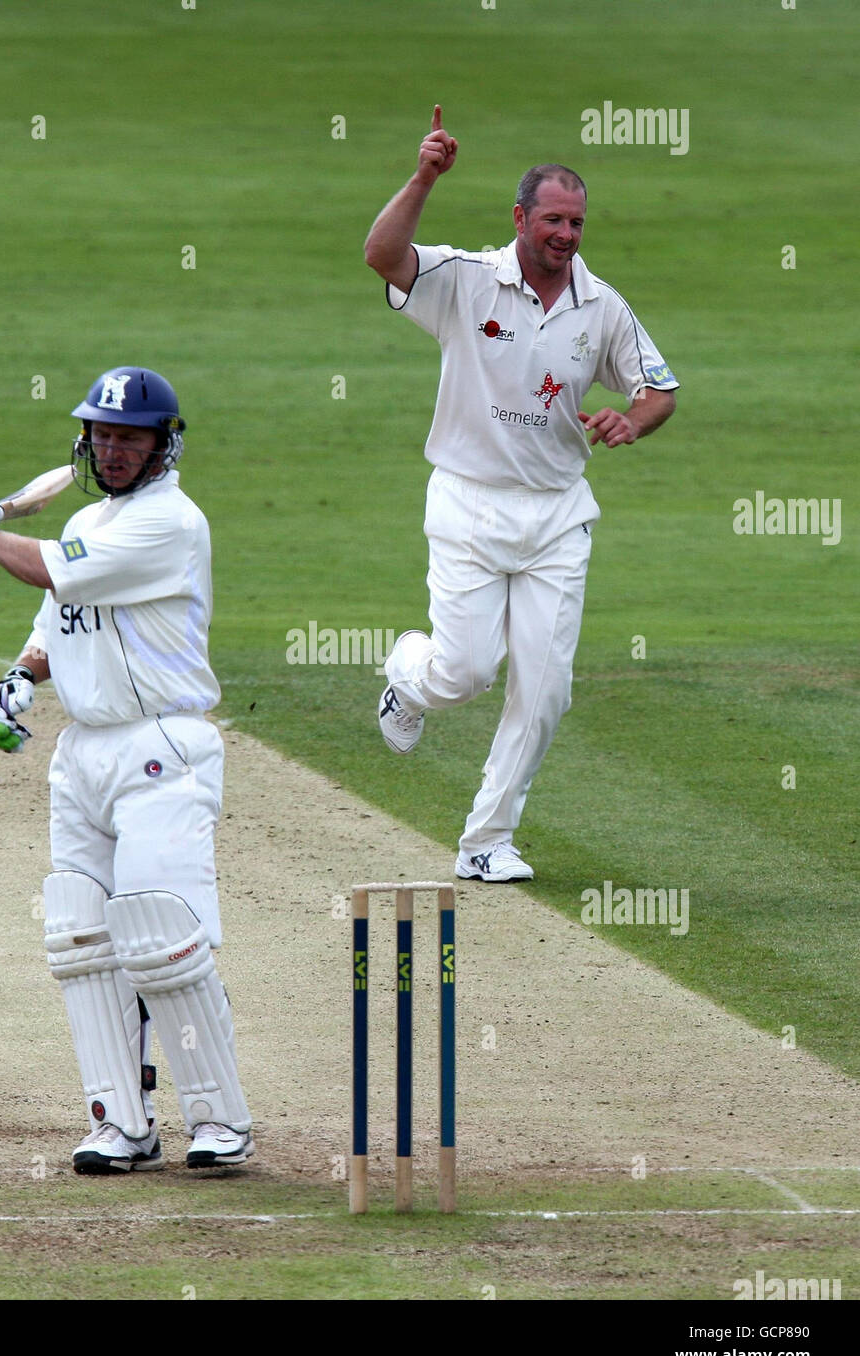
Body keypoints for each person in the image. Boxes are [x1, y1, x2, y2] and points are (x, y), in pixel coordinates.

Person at [0, 366, 254, 1173]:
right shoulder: (96, 524)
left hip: (161, 749)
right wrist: (17, 677)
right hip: (83, 754)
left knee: (158, 937)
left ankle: (219, 1120)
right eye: (101, 436)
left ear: (161, 446)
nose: (111, 450)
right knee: (80, 935)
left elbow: (44, 567)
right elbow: (56, 622)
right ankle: (120, 1124)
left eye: (128, 438)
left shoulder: (167, 524)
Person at [364, 106, 679, 883]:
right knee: (464, 674)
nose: (565, 235)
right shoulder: (465, 281)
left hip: (556, 516)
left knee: (543, 693)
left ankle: (485, 842)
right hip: (469, 502)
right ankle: (407, 675)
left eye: (575, 222)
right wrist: (424, 175)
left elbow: (659, 389)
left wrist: (630, 421)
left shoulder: (600, 305)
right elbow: (381, 252)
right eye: (551, 219)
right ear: (518, 218)